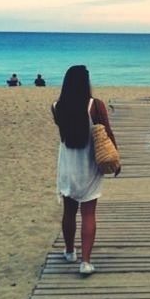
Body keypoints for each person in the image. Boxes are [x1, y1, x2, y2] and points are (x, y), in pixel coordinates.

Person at [51, 65, 119, 275]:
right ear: (85, 82)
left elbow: (64, 131)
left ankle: (70, 251)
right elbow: (107, 133)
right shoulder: (95, 105)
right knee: (88, 213)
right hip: (88, 165)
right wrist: (116, 158)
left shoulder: (56, 106)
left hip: (68, 165)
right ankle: (86, 262)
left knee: (69, 211)